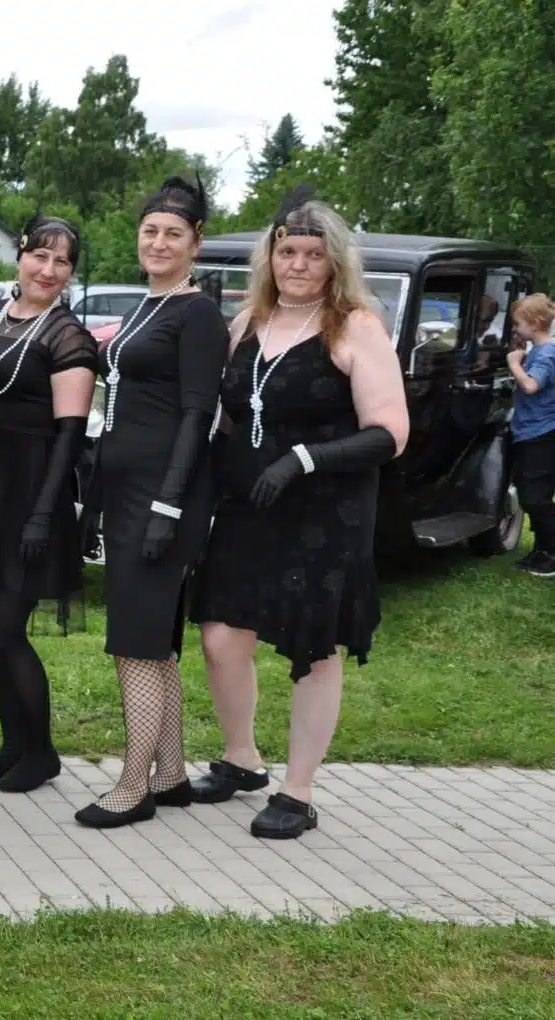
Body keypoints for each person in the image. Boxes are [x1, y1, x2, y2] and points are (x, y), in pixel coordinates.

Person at [190, 188, 408, 839]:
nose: (299, 264)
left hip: (324, 514)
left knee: (314, 649)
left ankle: (299, 790)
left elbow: (390, 434)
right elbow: (228, 417)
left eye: (314, 254)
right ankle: (242, 759)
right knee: (220, 636)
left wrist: (304, 460)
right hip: (248, 508)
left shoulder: (355, 326)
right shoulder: (247, 323)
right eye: (288, 252)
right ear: (271, 257)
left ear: (335, 262)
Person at [75, 176, 227, 830]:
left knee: (135, 641)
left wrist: (168, 506)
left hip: (164, 495)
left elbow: (197, 415)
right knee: (154, 641)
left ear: (196, 243)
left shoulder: (197, 314)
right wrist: (96, 500)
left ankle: (132, 784)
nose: (159, 242)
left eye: (173, 233)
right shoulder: (146, 306)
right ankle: (170, 774)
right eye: (150, 231)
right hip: (128, 491)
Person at [0, 216, 97, 794]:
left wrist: (43, 514)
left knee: (6, 628)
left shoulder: (68, 337)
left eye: (62, 261)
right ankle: (13, 744)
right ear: (20, 256)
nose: (48, 269)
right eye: (40, 255)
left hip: (31, 492)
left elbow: (70, 436)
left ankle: (41, 752)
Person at [507, 294, 555, 577]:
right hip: (532, 432)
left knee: (534, 497)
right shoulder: (541, 351)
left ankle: (551, 554)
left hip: (541, 434)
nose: (515, 329)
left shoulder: (546, 354)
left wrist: (514, 363)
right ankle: (542, 550)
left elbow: (531, 386)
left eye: (517, 324)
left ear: (535, 324)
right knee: (532, 494)